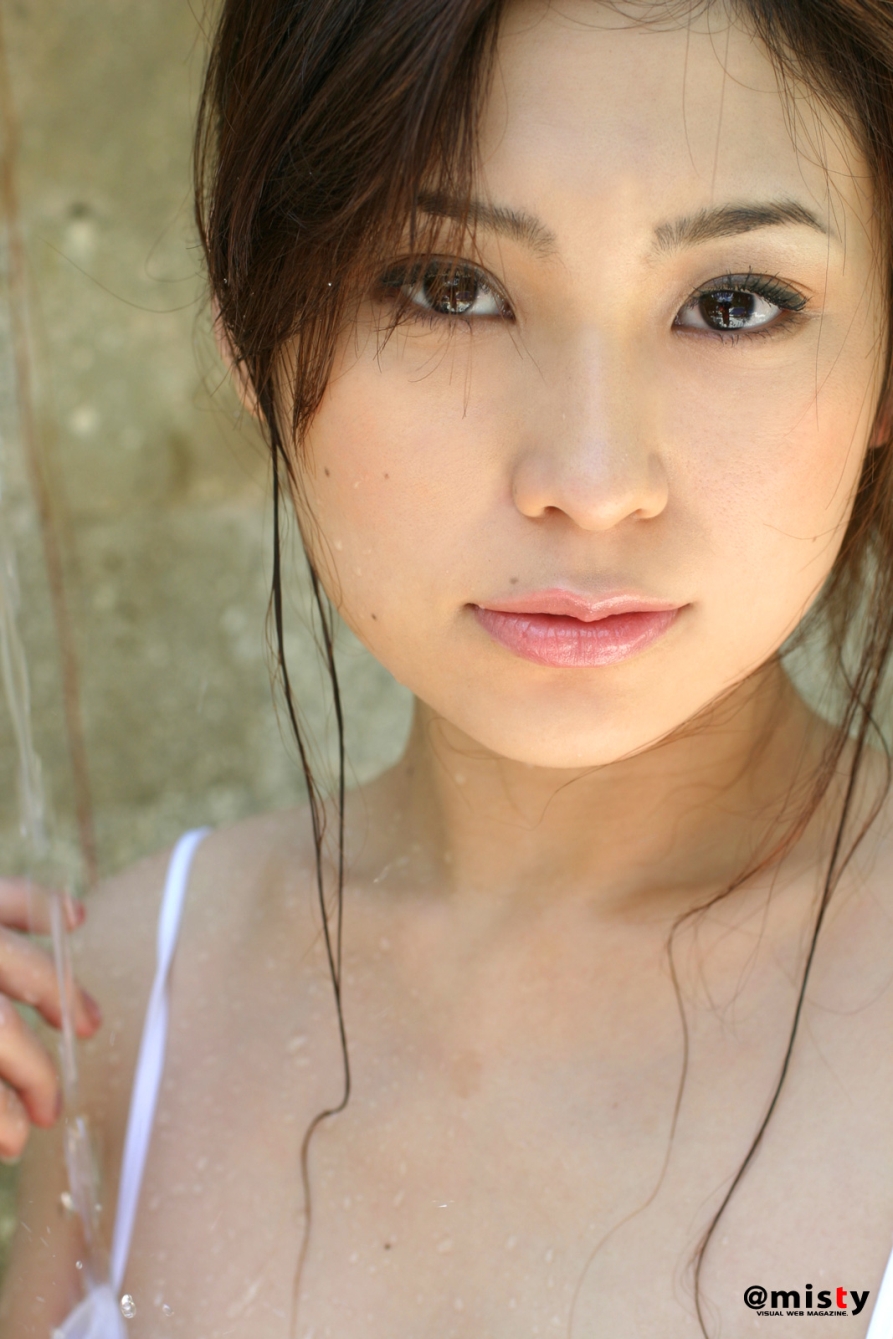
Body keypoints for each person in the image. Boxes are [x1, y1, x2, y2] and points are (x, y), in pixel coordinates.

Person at [3, 0, 893, 1332]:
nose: (592, 481)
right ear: (252, 330)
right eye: (448, 288)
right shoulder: (116, 1006)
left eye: (732, 304)